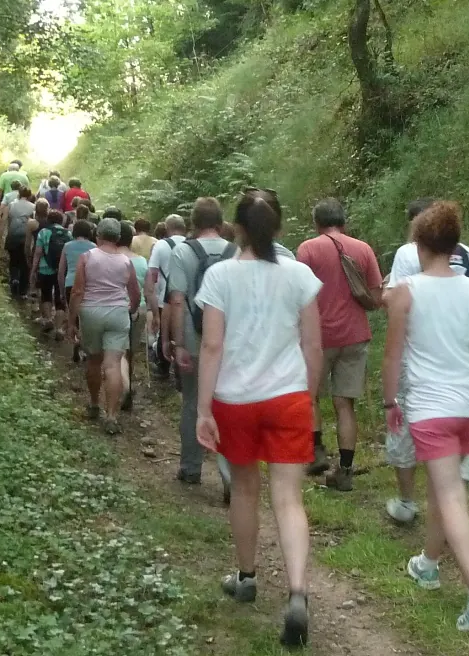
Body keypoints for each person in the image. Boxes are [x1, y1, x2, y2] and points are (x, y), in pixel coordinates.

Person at [194, 189, 322, 647]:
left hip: (236, 398)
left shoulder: (220, 276)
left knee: (245, 489)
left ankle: (246, 578)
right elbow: (312, 346)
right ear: (281, 230)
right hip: (288, 395)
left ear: (238, 230)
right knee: (289, 498)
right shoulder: (300, 276)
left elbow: (211, 346)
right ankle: (298, 593)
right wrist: (309, 398)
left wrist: (204, 408)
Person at [381, 201, 469, 632]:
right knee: (445, 489)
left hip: (432, 409)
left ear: (419, 245)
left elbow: (393, 354)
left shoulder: (406, 293)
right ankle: (428, 564)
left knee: (451, 496)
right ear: (456, 247)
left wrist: (389, 402)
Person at [383, 198, 469, 524]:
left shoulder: (408, 253)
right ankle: (454, 507)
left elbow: (393, 301)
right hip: (463, 359)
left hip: (417, 360)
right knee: (460, 429)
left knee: (403, 425)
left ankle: (408, 503)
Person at [297, 199, 383, 490]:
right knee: (345, 403)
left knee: (310, 396)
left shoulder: (308, 249)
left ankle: (316, 452)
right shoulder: (363, 249)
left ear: (317, 223)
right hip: (355, 335)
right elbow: (376, 295)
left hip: (319, 337)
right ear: (343, 221)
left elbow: (299, 294)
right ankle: (345, 470)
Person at [166, 198, 237, 501]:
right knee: (229, 408)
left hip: (196, 341)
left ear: (192, 224)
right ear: (221, 224)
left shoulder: (182, 251)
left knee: (193, 403)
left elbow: (178, 300)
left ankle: (191, 467)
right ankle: (229, 477)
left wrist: (179, 343)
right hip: (231, 343)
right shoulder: (235, 252)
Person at [67, 217, 141, 435]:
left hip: (91, 312)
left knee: (93, 360)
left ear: (97, 235)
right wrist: (131, 308)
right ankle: (111, 416)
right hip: (118, 313)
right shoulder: (126, 262)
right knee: (113, 365)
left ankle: (93, 404)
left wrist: (72, 321)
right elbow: (135, 292)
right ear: (118, 238)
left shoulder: (87, 258)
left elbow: (78, 291)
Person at [145, 214, 188, 382]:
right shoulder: (191, 244)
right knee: (181, 333)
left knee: (166, 333)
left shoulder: (161, 245)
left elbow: (152, 274)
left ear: (167, 228)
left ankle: (163, 366)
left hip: (165, 298)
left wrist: (152, 303)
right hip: (186, 299)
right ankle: (181, 371)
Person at [117, 219, 148, 411]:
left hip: (118, 308)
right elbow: (149, 289)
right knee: (130, 352)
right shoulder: (142, 261)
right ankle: (128, 385)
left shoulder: (111, 259)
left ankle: (122, 388)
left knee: (117, 351)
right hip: (140, 308)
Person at [58, 219, 97, 362]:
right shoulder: (93, 247)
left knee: (73, 315)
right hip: (87, 285)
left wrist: (61, 291)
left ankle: (75, 341)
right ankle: (82, 344)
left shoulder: (67, 246)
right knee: (85, 318)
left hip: (70, 284)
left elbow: (61, 270)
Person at [30, 209, 71, 337]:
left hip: (45, 268)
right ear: (61, 220)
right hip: (61, 270)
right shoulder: (68, 234)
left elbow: (38, 252)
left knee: (46, 295)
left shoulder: (44, 232)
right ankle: (59, 329)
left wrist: (33, 269)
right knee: (60, 299)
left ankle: (48, 319)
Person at [0, 187, 36, 299]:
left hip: (12, 236)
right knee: (25, 263)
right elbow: (34, 224)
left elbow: (4, 220)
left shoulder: (11, 205)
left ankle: (14, 279)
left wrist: (0, 236)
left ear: (19, 194)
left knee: (13, 260)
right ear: (29, 195)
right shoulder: (33, 207)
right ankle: (23, 290)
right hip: (26, 237)